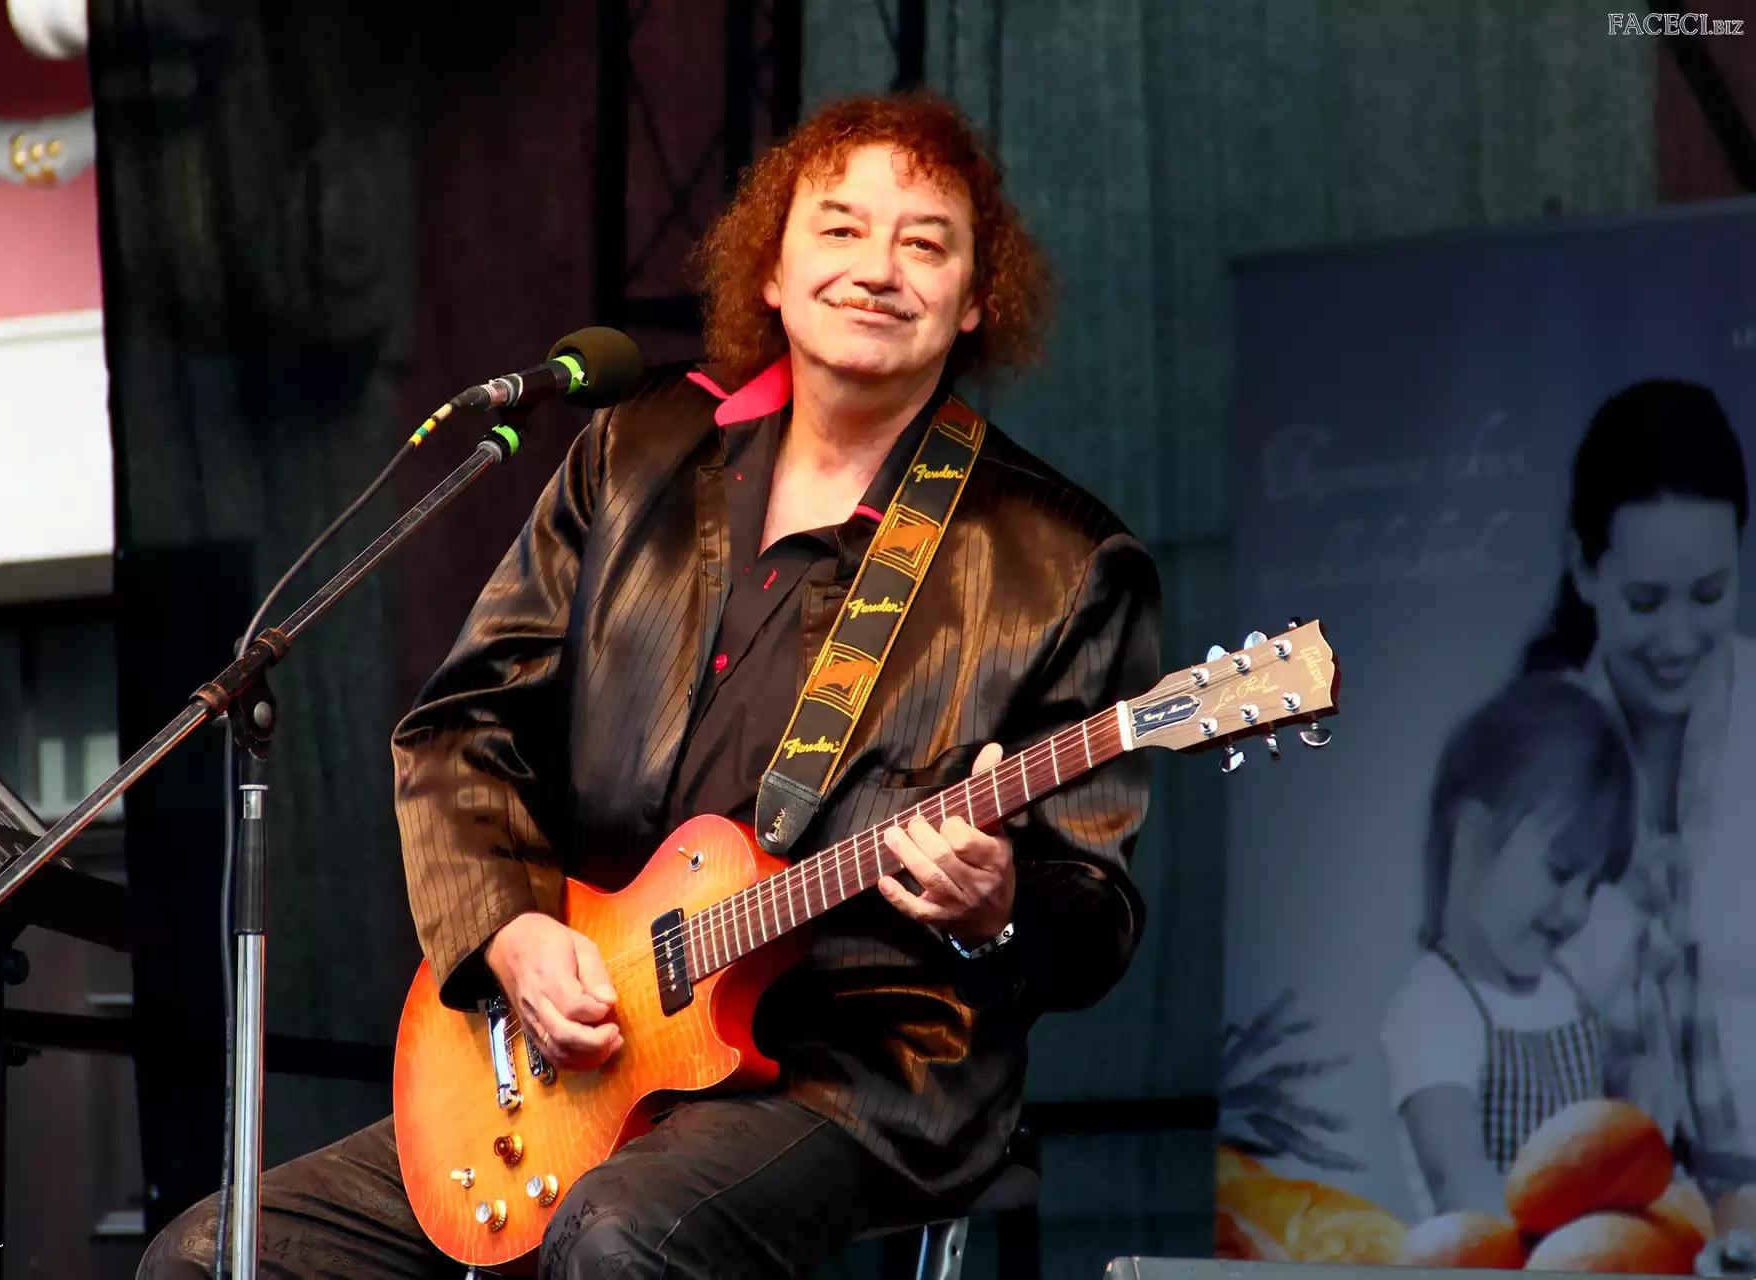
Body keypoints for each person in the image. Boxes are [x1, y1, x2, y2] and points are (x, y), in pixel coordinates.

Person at [139, 90, 1161, 1279]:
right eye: (839, 227)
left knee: (621, 1233)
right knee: (213, 1254)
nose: (877, 267)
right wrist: (511, 930)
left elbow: (1095, 909)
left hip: (862, 1071)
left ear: (977, 297)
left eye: (924, 242)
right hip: (579, 1054)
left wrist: (1000, 907)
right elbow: (465, 725)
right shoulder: (638, 447)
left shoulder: (1062, 559)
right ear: (771, 268)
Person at [1527, 379, 1754, 1188]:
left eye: (1710, 594)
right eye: (1647, 602)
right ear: (1582, 568)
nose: (1681, 638)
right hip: (1595, 1216)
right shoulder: (1528, 765)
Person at [1380, 678, 1637, 1220]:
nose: (1576, 910)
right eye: (1561, 872)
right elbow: (1459, 1184)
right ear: (1472, 833)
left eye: (1591, 887)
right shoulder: (1436, 1005)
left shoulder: (1566, 985)